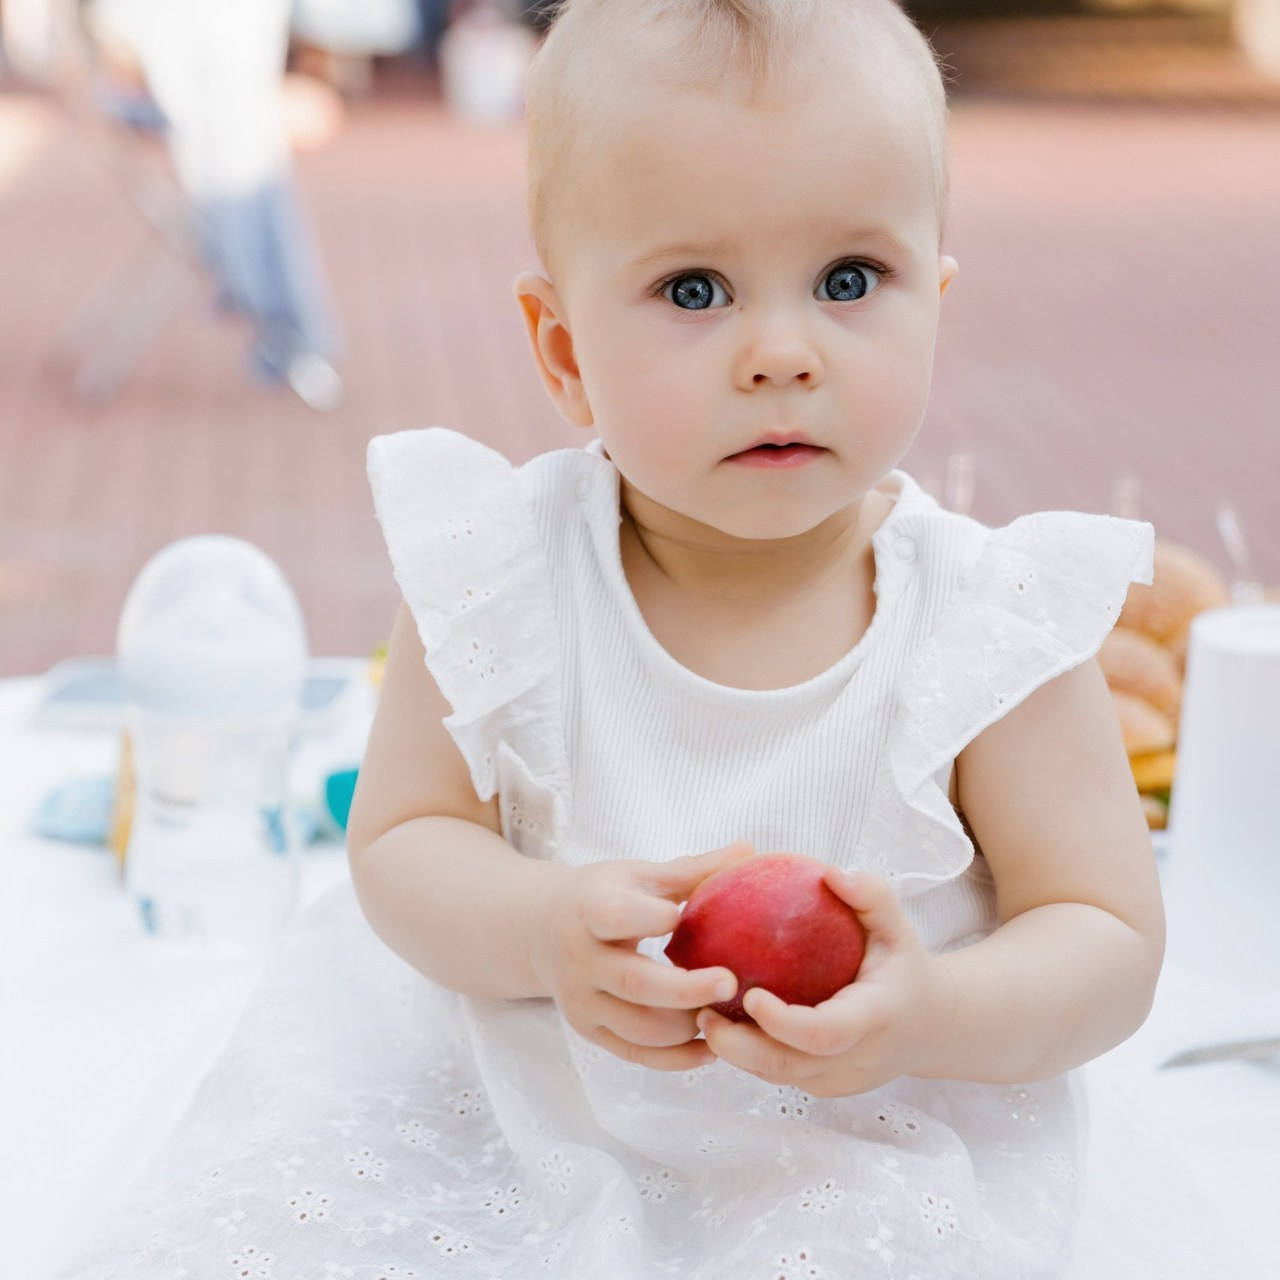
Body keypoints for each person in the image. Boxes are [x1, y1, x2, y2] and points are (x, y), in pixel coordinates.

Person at [60, 1, 1170, 1276]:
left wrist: (936, 1009)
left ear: (936, 298)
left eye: (848, 279)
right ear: (562, 349)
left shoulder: (986, 625)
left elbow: (1103, 929)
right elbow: (403, 839)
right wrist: (537, 925)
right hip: (527, 1112)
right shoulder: (503, 573)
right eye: (694, 289)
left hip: (856, 1145)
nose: (781, 352)